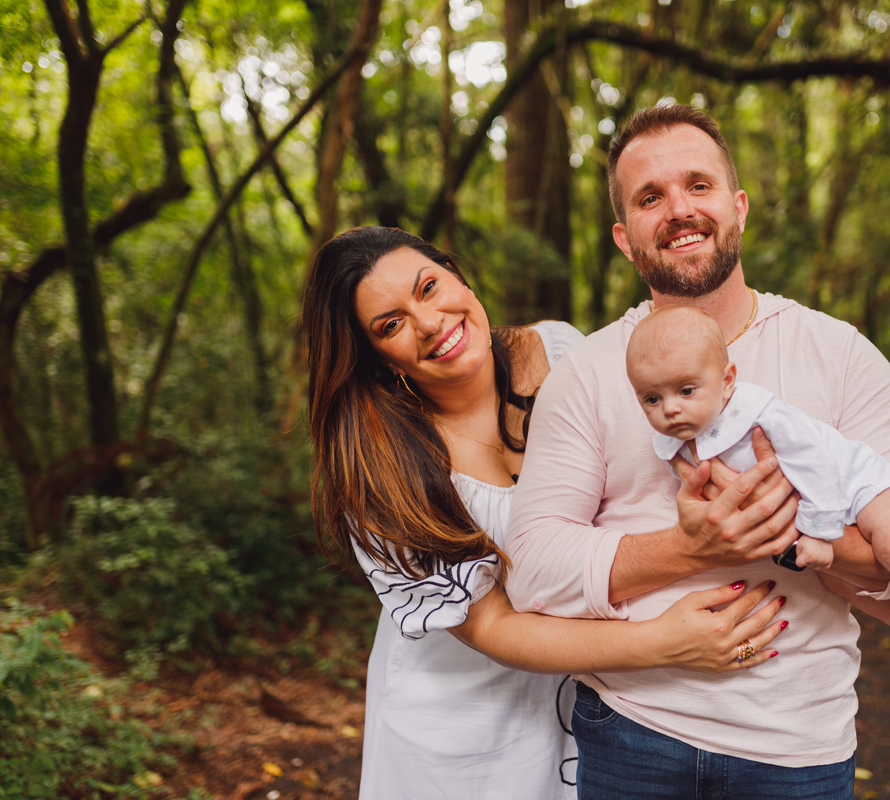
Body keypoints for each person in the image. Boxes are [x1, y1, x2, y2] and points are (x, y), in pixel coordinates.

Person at [506, 105, 890, 798]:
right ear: (625, 239)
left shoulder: (837, 354)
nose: (679, 210)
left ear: (738, 207)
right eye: (651, 197)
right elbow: (533, 571)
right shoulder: (588, 374)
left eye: (698, 185)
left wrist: (812, 538)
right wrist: (693, 547)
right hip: (631, 730)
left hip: (799, 746)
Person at [302, 225, 789, 800]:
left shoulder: (563, 352)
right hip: (466, 734)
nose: (429, 322)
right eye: (391, 324)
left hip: (600, 707)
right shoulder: (379, 467)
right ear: (377, 358)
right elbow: (492, 626)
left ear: (457, 276)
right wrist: (662, 642)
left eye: (429, 287)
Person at [626, 304, 890, 676]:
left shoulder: (759, 414)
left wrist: (820, 530)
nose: (670, 409)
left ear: (726, 381)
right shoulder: (675, 441)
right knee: (835, 582)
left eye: (686, 390)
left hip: (859, 483)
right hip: (809, 508)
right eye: (652, 399)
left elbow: (815, 463)